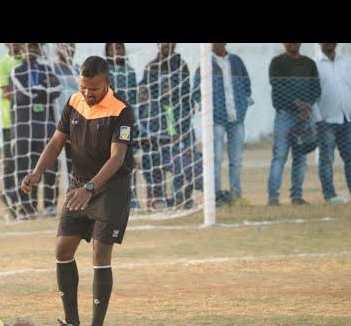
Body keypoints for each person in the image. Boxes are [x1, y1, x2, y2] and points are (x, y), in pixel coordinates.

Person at [21, 56, 134, 326]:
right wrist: (36, 173)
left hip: (109, 190)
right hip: (78, 188)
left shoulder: (121, 110)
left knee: (100, 254)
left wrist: (91, 187)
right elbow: (56, 143)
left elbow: (117, 158)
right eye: (83, 87)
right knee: (62, 248)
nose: (87, 93)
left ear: (106, 82)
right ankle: (71, 323)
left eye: (93, 88)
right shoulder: (73, 102)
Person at [192, 43, 252, 206]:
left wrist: (243, 105)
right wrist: (207, 110)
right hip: (216, 120)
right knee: (215, 158)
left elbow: (247, 85)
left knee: (236, 159)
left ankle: (236, 195)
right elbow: (196, 91)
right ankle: (216, 195)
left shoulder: (237, 61)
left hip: (236, 119)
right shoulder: (205, 63)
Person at [11, 43, 62, 218]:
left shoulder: (47, 69)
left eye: (36, 46)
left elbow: (57, 89)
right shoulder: (17, 70)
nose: (33, 49)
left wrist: (40, 91)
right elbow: (24, 92)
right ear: (23, 49)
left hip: (45, 126)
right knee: (25, 166)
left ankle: (49, 204)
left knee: (49, 166)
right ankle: (26, 206)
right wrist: (42, 91)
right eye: (30, 46)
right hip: (24, 128)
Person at [140, 43, 193, 209]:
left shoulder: (182, 66)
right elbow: (143, 91)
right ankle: (158, 197)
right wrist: (143, 92)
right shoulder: (151, 67)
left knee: (182, 160)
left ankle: (180, 196)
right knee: (153, 159)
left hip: (177, 121)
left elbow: (186, 96)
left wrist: (183, 128)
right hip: (157, 123)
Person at [267, 43, 321, 206]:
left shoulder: (309, 63)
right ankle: (273, 197)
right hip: (284, 115)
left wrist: (307, 106)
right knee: (279, 157)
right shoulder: (277, 62)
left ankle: (296, 196)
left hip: (304, 118)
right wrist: (297, 103)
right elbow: (277, 87)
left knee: (300, 157)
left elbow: (316, 88)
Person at [313, 43, 351, 204]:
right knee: (326, 160)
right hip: (326, 122)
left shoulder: (347, 63)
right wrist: (319, 119)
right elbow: (311, 93)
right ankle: (330, 195)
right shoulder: (314, 65)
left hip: (347, 120)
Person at [105, 43, 139, 209]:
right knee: (107, 160)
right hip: (107, 122)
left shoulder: (130, 72)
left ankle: (131, 197)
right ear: (107, 52)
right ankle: (109, 198)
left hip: (125, 123)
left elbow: (134, 99)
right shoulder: (103, 72)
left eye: (119, 48)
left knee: (126, 158)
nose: (116, 52)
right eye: (112, 49)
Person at [0, 43, 23, 219]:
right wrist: (27, 93)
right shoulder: (2, 64)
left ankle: (24, 201)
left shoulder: (30, 60)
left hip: (28, 120)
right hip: (10, 120)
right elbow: (5, 92)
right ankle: (8, 196)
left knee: (25, 162)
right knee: (10, 161)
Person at [53, 43, 80, 179]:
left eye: (72, 45)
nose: (69, 48)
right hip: (60, 124)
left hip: (79, 124)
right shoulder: (52, 69)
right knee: (59, 165)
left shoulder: (78, 69)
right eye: (65, 45)